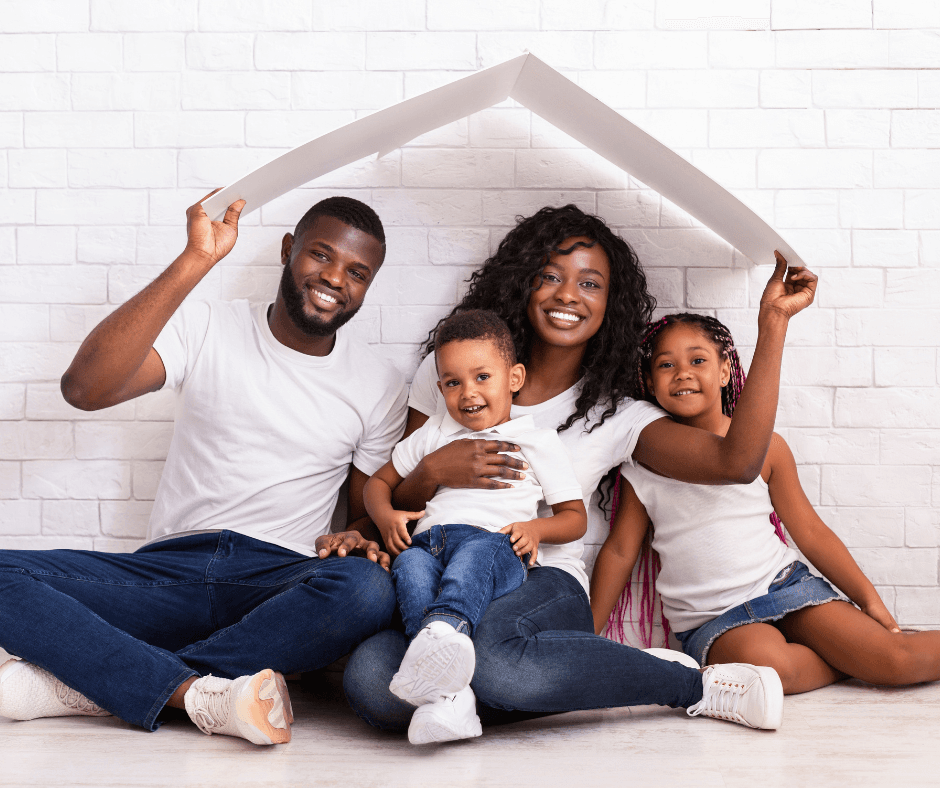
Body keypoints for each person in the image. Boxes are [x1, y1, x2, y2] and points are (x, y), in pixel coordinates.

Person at [343, 204, 817, 738]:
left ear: (609, 304)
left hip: (542, 580)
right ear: (523, 284)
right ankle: (516, 686)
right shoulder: (456, 367)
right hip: (442, 568)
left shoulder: (618, 415)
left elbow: (737, 463)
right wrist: (433, 470)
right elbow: (400, 492)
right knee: (371, 682)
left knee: (498, 665)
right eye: (550, 276)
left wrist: (773, 324)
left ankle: (689, 684)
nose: (568, 294)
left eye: (590, 283)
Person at [0, 192, 408, 745]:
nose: (335, 278)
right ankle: (190, 690)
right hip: (167, 576)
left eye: (357, 273)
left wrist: (356, 539)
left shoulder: (378, 383)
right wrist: (196, 259)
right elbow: (84, 389)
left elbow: (362, 518)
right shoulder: (209, 325)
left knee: (367, 588)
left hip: (273, 586)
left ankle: (102, 684)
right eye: (321, 256)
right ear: (288, 251)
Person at [591, 312, 940, 693]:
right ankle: (851, 659)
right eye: (666, 364)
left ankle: (871, 656)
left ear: (725, 371)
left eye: (698, 360)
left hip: (784, 587)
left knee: (896, 661)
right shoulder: (643, 462)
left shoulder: (766, 449)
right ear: (649, 381)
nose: (683, 373)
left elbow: (809, 531)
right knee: (773, 671)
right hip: (714, 618)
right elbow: (622, 550)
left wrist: (868, 601)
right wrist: (586, 635)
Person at [364, 309, 586, 744]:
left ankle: (444, 635)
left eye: (483, 377)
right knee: (407, 566)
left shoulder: (537, 441)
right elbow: (378, 483)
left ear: (514, 377)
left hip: (495, 547)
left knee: (474, 555)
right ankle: (441, 682)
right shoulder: (435, 433)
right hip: (429, 544)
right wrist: (385, 516)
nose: (468, 394)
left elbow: (574, 517)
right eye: (452, 382)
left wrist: (537, 531)